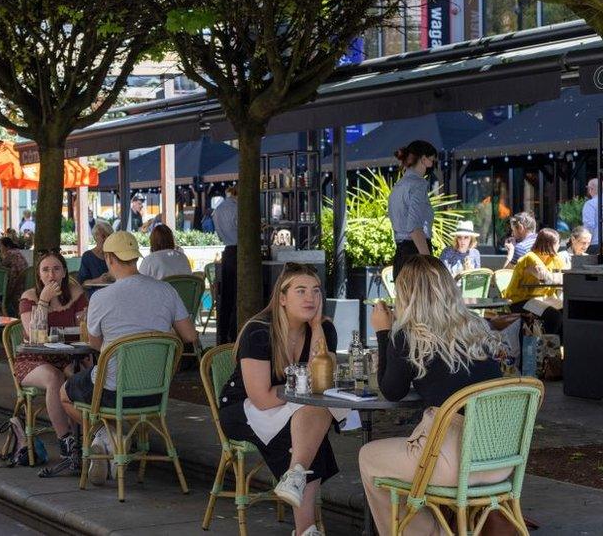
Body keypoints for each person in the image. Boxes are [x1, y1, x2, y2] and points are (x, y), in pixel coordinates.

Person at [361, 255, 506, 536]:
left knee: (369, 456)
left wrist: (382, 332)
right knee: (401, 464)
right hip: (498, 461)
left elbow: (392, 391)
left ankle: (423, 532)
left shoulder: (408, 335)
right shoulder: (477, 328)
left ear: (406, 294)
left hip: (452, 460)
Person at [60, 231, 199, 485]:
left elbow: (95, 344)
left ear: (110, 259)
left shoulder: (101, 297)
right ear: (135, 258)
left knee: (65, 393)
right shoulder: (166, 290)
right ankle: (116, 437)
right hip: (155, 391)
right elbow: (189, 336)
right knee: (96, 380)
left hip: (112, 390)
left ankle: (108, 433)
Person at [217, 264, 339, 536]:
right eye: (301, 291)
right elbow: (260, 398)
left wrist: (317, 327)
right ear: (282, 298)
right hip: (243, 409)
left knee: (313, 414)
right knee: (303, 436)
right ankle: (305, 527)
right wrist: (302, 398)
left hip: (292, 404)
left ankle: (296, 482)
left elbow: (320, 385)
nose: (311, 298)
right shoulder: (259, 331)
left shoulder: (324, 330)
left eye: (316, 291)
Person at [16, 252, 88, 477]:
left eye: (56, 269)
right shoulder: (29, 297)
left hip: (69, 356)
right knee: (54, 378)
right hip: (34, 359)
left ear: (65, 272)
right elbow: (34, 336)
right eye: (45, 269)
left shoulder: (76, 294)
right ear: (38, 274)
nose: (51, 274)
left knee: (82, 377)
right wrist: (44, 301)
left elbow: (87, 327)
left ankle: (93, 436)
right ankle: (66, 441)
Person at [387, 140, 438, 278]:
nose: (433, 165)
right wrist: (429, 262)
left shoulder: (398, 186)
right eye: (432, 160)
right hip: (416, 255)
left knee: (404, 299)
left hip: (400, 256)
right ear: (423, 159)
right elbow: (415, 228)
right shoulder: (418, 184)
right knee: (422, 299)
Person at [503, 228, 566, 336]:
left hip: (544, 298)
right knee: (553, 316)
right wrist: (554, 277)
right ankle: (542, 345)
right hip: (521, 300)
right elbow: (545, 277)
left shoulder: (555, 258)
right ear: (549, 244)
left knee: (567, 313)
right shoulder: (530, 258)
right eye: (558, 243)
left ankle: (559, 348)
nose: (559, 245)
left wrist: (555, 277)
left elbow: (565, 275)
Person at [212, 186, 238, 345]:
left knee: (227, 296)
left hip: (227, 251)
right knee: (238, 296)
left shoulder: (218, 210)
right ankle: (234, 333)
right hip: (239, 251)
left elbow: (220, 234)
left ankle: (223, 335)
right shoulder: (238, 208)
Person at [77, 220, 114, 295]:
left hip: (114, 294)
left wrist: (114, 277)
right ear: (95, 237)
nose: (106, 239)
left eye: (109, 236)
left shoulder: (116, 255)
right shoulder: (88, 256)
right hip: (95, 295)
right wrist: (99, 280)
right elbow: (82, 284)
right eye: (103, 236)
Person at [0, 236, 29, 317]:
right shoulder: (18, 252)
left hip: (16, 286)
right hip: (24, 284)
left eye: (0, 246)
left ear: (7, 246)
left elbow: (0, 267)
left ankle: (6, 317)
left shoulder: (10, 254)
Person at [583, 178, 599, 254]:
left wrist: (585, 243)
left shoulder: (590, 204)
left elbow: (589, 225)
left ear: (591, 189)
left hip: (595, 244)